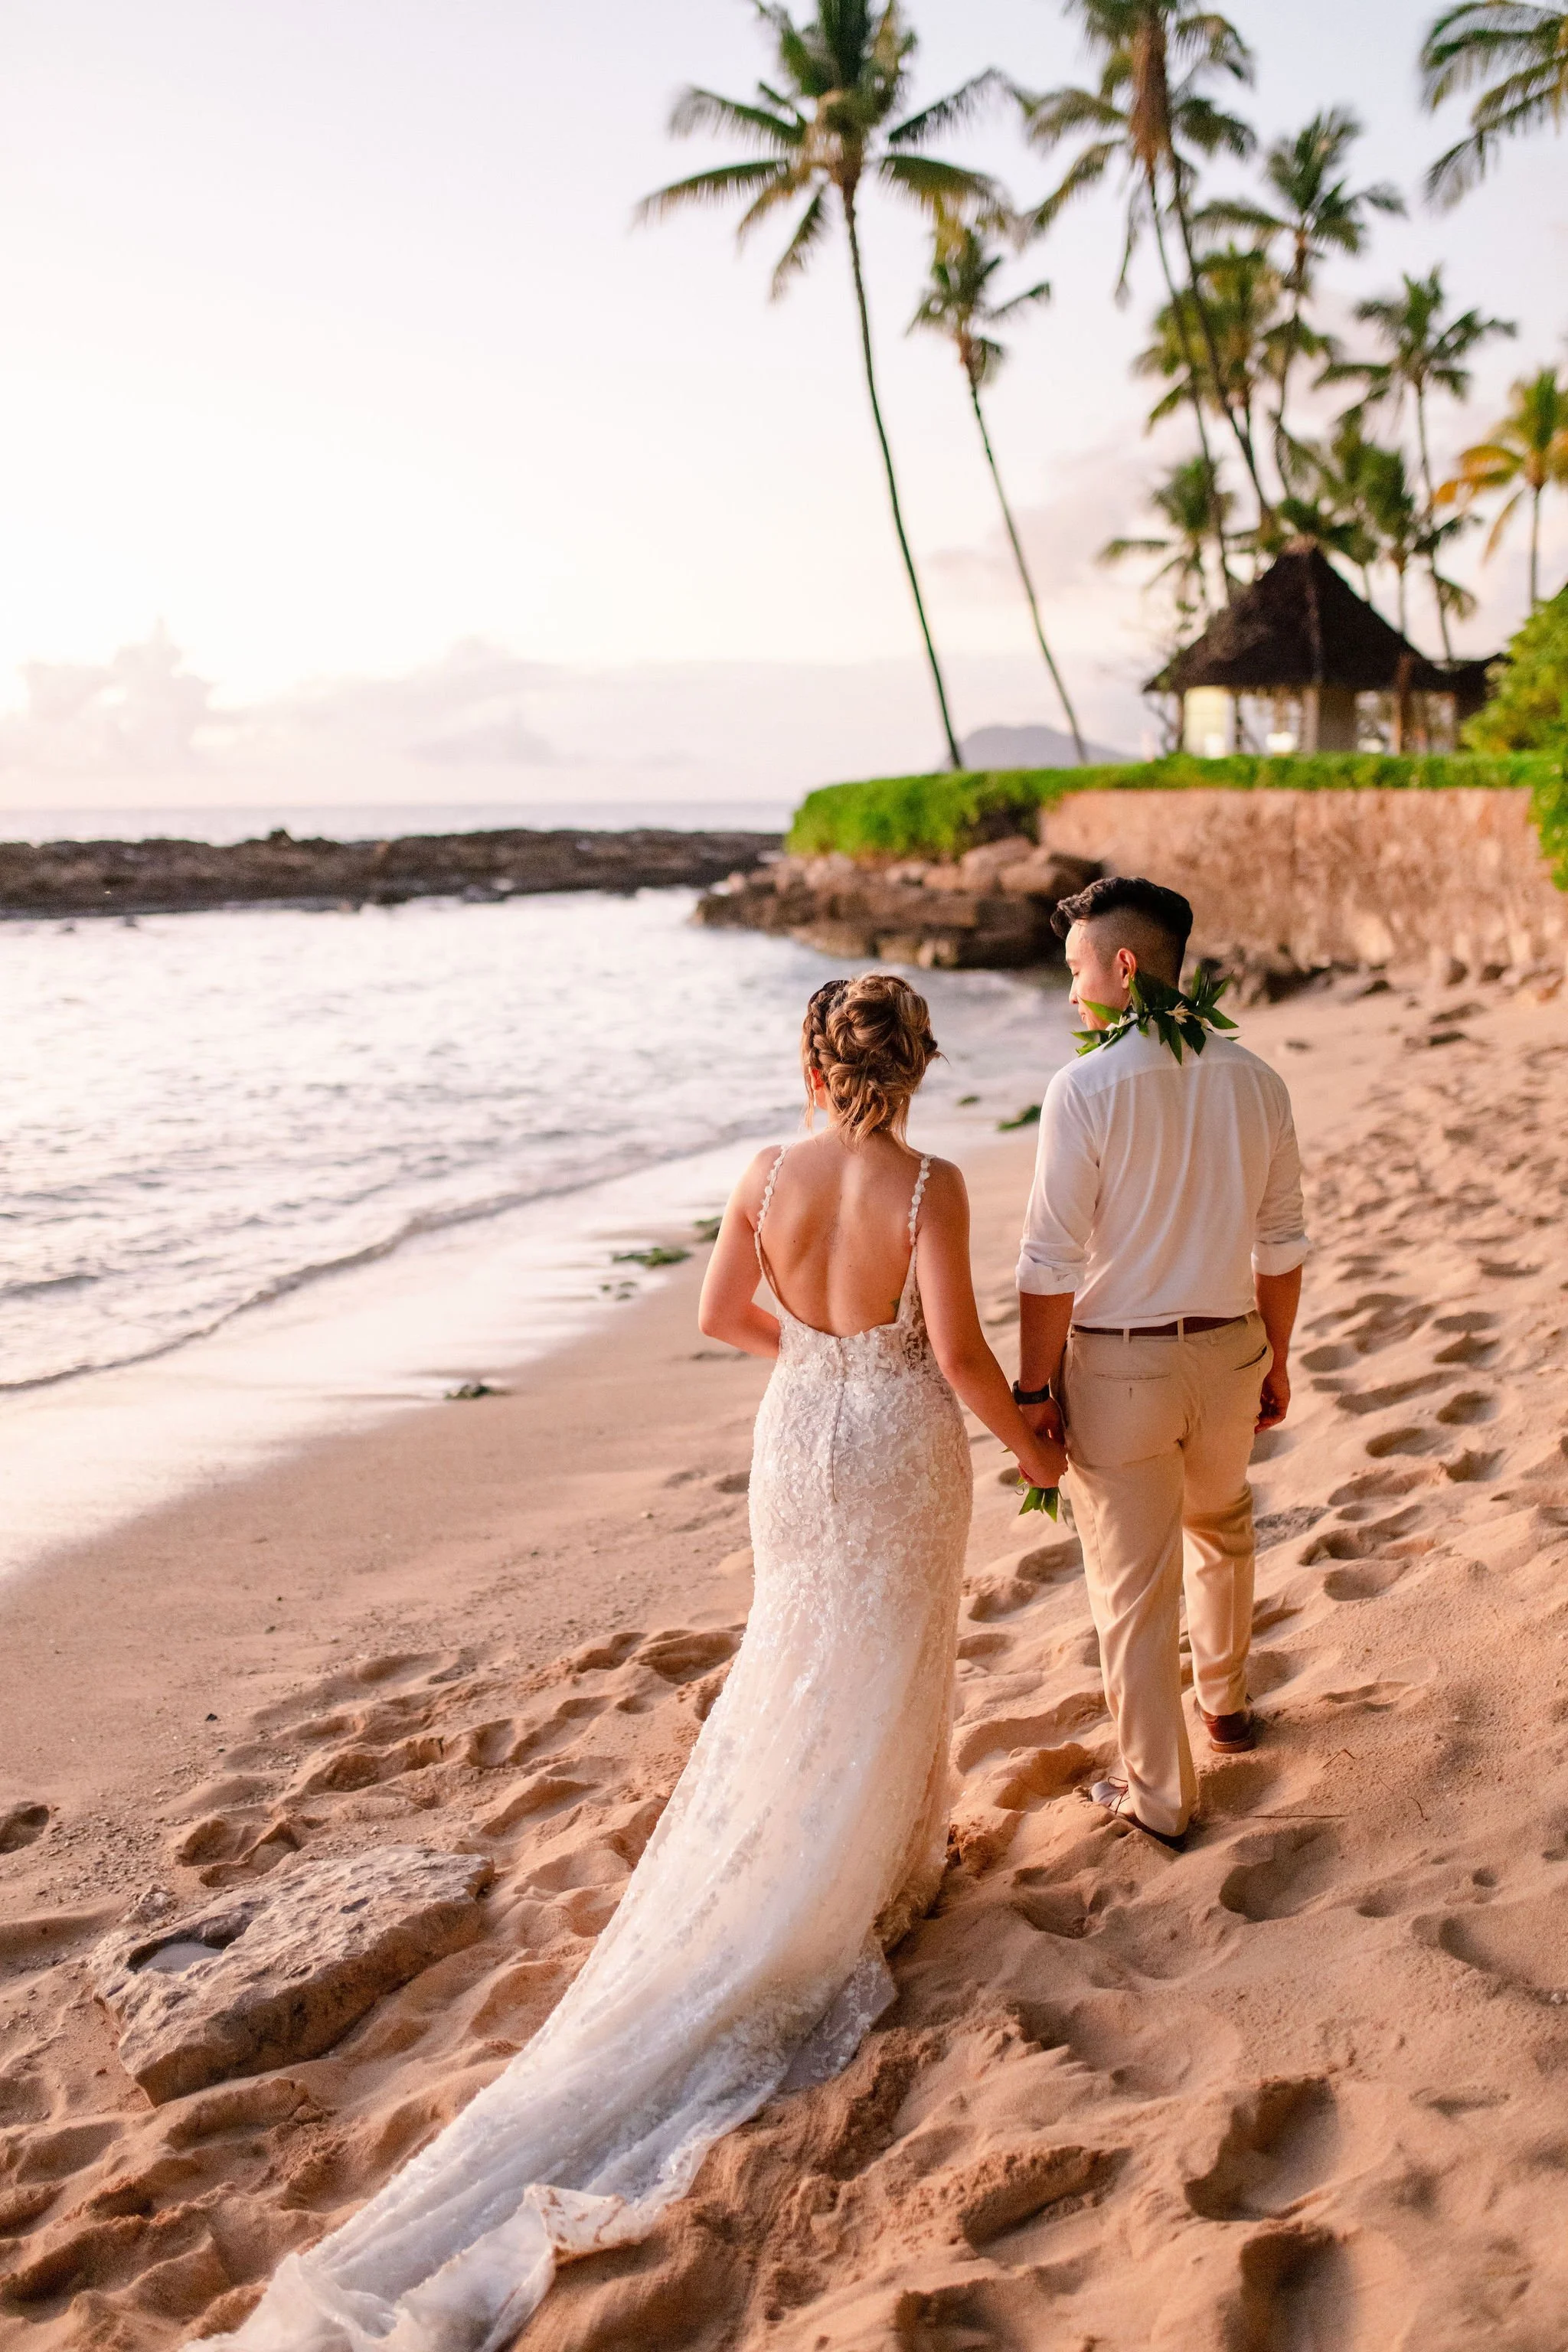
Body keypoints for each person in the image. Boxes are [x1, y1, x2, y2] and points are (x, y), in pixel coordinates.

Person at [208, 971, 1063, 2351]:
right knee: (889, 1646)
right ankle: (880, 1869)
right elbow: (960, 1350)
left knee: (797, 1646)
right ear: (918, 1064)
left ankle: (833, 1857)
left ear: (810, 1055)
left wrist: (822, 1360)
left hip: (798, 1436)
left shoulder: (763, 1168)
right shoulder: (932, 1184)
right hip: (900, 1441)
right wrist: (1032, 1450)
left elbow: (724, 1314)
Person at [1013, 876, 1308, 1851]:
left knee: (1132, 1590)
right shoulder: (1256, 1080)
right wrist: (1276, 1356)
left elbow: (1048, 1262)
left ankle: (1159, 1798)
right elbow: (1281, 1242)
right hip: (1230, 1351)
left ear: (1123, 966)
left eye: (1074, 971)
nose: (1068, 994)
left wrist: (1031, 1388)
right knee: (1220, 1529)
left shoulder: (1082, 1089)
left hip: (1120, 1368)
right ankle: (1224, 1707)